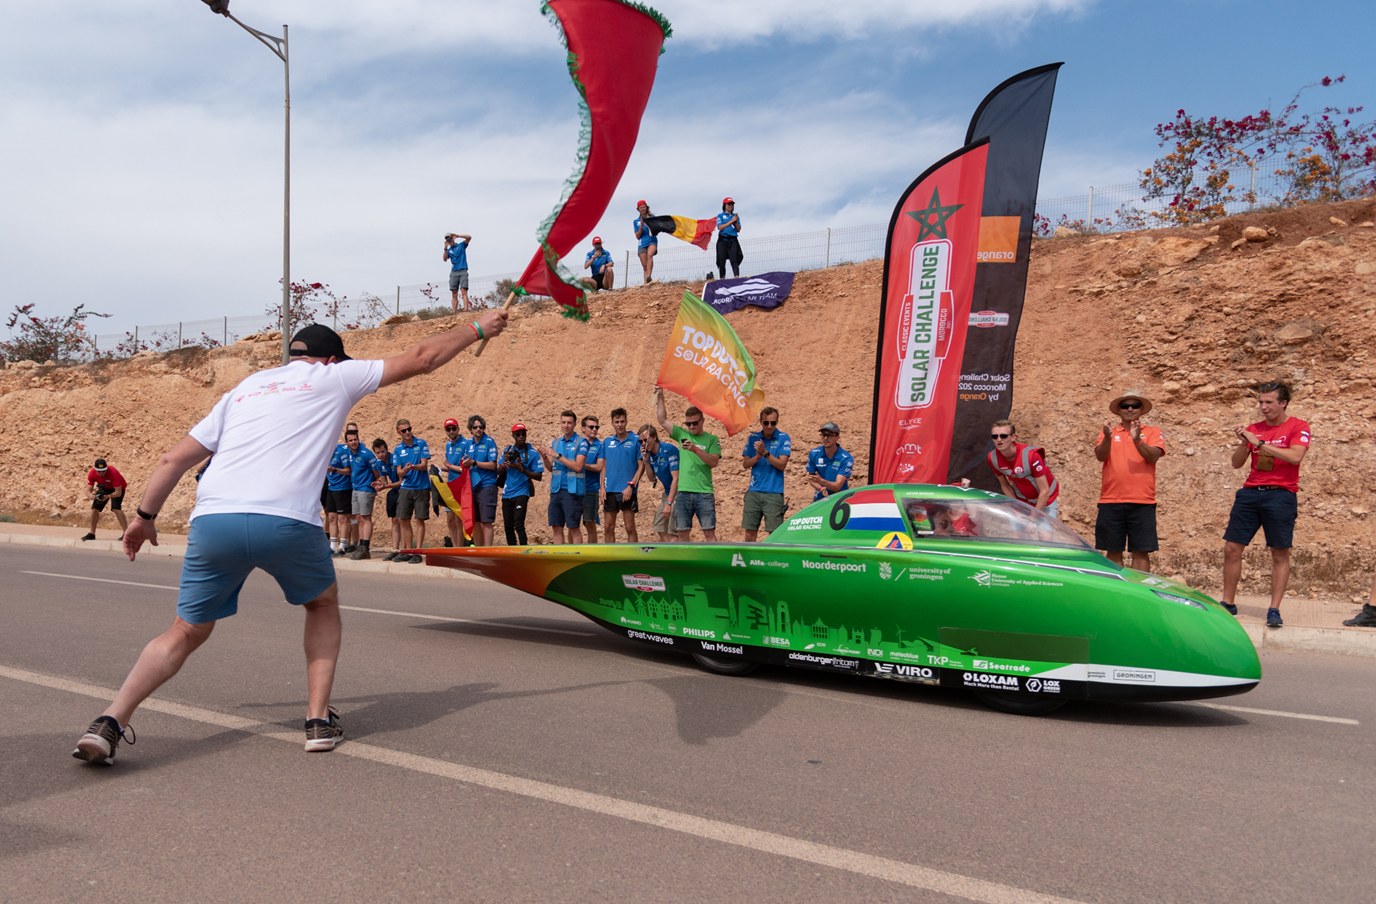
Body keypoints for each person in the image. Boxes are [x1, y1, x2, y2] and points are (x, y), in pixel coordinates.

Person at [71, 313, 508, 765]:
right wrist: (478, 328)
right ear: (333, 358)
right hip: (285, 520)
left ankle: (109, 721)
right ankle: (318, 720)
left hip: (215, 518)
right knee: (321, 604)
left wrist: (143, 518)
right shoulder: (333, 376)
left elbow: (171, 460)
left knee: (185, 629)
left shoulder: (243, 390)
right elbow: (422, 357)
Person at [1221, 380, 1311, 628]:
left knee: (1279, 552)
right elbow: (1236, 464)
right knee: (1232, 548)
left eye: (1269, 402)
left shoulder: (1298, 426)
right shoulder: (1254, 428)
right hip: (1250, 493)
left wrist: (1259, 443)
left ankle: (1274, 609)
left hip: (1281, 495)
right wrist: (1244, 442)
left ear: (1283, 403)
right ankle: (1228, 603)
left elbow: (1295, 456)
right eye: (1261, 402)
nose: (1263, 407)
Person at [1094, 390, 1166, 571]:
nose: (1130, 409)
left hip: (1142, 500)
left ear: (1141, 410)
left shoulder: (1152, 432)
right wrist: (1108, 439)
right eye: (1125, 405)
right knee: (1113, 550)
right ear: (1119, 410)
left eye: (1135, 405)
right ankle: (1114, 594)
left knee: (1141, 552)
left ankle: (1138, 593)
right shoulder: (1109, 432)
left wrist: (1137, 441)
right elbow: (1100, 456)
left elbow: (1153, 457)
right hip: (1111, 500)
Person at [655, 387, 720, 542]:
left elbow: (714, 461)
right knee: (682, 533)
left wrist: (696, 450)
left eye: (694, 423)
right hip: (683, 493)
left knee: (709, 532)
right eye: (688, 424)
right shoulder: (682, 434)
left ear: (702, 421)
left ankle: (715, 564)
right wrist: (660, 397)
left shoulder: (712, 439)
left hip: (704, 492)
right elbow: (662, 420)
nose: (691, 427)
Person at [986, 419, 1060, 517]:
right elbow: (1005, 485)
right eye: (995, 436)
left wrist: (1033, 518)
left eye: (1003, 436)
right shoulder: (992, 458)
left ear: (1013, 437)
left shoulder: (1031, 456)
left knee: (1044, 531)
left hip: (1046, 501)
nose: (999, 439)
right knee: (1017, 532)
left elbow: (1045, 491)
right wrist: (1015, 507)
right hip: (1023, 502)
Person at [741, 407, 791, 541]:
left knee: (775, 534)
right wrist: (757, 457)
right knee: (749, 532)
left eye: (773, 423)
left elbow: (782, 465)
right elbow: (745, 464)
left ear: (777, 422)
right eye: (766, 423)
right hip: (754, 491)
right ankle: (748, 560)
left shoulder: (783, 438)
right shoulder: (753, 438)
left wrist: (765, 453)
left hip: (774, 493)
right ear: (761, 422)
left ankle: (775, 561)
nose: (769, 426)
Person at [540, 411, 588, 544]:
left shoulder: (581, 442)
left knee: (573, 527)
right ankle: (559, 557)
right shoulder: (556, 442)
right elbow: (551, 468)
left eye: (569, 423)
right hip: (556, 490)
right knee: (556, 526)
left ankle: (577, 557)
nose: (566, 425)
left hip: (572, 491)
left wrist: (558, 456)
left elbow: (578, 467)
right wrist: (545, 458)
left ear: (575, 424)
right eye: (563, 422)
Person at [392, 418, 433, 563]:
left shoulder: (421, 443)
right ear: (399, 432)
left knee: (420, 519)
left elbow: (424, 465)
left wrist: (413, 467)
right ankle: (408, 550)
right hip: (406, 488)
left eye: (409, 429)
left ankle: (418, 551)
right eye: (404, 431)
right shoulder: (397, 449)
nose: (408, 432)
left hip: (421, 487)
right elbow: (399, 473)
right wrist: (405, 469)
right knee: (403, 519)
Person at [602, 407, 645, 543]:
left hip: (628, 490)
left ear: (626, 421)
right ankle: (610, 558)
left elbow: (641, 466)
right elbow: (603, 466)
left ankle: (633, 559)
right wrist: (602, 487)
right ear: (612, 423)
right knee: (608, 527)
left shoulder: (636, 440)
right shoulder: (607, 442)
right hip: (610, 490)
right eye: (617, 422)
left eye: (622, 421)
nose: (620, 424)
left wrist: (631, 486)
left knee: (630, 527)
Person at [498, 423, 543, 546]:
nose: (521, 436)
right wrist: (505, 462)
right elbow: (498, 472)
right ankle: (512, 551)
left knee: (519, 524)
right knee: (508, 526)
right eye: (518, 434)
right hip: (507, 493)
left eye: (523, 433)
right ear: (513, 435)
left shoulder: (532, 453)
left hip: (522, 492)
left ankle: (524, 551)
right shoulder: (508, 450)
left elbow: (539, 476)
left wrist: (521, 468)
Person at [345, 432, 385, 560]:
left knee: (366, 517)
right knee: (358, 518)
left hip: (366, 489)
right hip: (355, 489)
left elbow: (376, 471)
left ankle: (365, 547)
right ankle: (360, 547)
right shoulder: (350, 453)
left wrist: (378, 483)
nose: (353, 442)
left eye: (355, 439)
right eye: (350, 440)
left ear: (358, 439)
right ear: (347, 443)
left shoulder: (366, 453)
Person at [638, 424, 679, 543]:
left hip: (679, 491)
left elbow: (676, 478)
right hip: (668, 491)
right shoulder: (650, 455)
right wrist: (645, 461)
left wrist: (669, 502)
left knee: (673, 530)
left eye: (646, 440)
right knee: (660, 526)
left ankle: (675, 557)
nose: (643, 444)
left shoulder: (668, 450)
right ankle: (669, 554)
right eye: (641, 441)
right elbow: (651, 478)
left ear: (654, 437)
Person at [465, 414, 500, 547]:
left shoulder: (489, 442)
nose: (478, 429)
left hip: (487, 485)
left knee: (486, 521)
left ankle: (487, 550)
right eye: (475, 427)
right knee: (476, 522)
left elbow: (493, 465)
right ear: (470, 429)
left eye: (481, 427)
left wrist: (474, 462)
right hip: (473, 486)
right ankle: (479, 551)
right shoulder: (468, 443)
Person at [371, 438, 404, 560]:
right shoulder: (379, 463)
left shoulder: (395, 459)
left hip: (403, 488)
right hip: (393, 489)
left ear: (387, 450)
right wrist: (379, 486)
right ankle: (395, 549)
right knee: (394, 520)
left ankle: (404, 549)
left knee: (402, 520)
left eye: (383, 451)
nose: (381, 455)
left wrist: (387, 485)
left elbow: (401, 481)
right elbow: (384, 482)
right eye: (378, 453)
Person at [83, 458, 129, 541]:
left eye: (103, 471)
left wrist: (107, 496)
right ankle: (92, 533)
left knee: (116, 508)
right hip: (104, 487)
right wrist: (93, 496)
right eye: (99, 471)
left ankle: (127, 534)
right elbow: (88, 491)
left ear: (106, 468)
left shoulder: (113, 472)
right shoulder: (92, 473)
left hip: (117, 488)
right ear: (95, 469)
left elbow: (118, 493)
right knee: (95, 509)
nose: (101, 473)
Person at [439, 417, 468, 547]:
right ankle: (455, 547)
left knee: (458, 519)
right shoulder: (448, 445)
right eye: (448, 429)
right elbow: (448, 466)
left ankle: (460, 548)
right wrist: (439, 468)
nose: (451, 431)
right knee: (450, 519)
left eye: (453, 428)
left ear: (458, 429)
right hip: (450, 484)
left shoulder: (465, 444)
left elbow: (464, 469)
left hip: (461, 485)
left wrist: (448, 465)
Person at [806, 422, 854, 500]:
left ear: (837, 437)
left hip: (839, 499)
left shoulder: (846, 458)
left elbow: (837, 486)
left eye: (829, 435)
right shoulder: (814, 453)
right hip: (820, 498)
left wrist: (821, 481)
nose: (825, 438)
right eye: (823, 435)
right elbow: (811, 479)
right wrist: (820, 489)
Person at [325, 433, 354, 555]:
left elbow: (348, 470)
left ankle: (342, 545)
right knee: (331, 517)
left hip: (342, 488)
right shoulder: (324, 453)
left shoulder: (341, 451)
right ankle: (332, 546)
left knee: (343, 518)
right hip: (331, 488)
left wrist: (335, 470)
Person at [580, 414, 605, 544]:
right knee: (572, 525)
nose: (594, 429)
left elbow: (599, 466)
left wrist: (582, 465)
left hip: (591, 489)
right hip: (575, 488)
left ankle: (591, 555)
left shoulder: (600, 446)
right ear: (583, 428)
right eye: (591, 427)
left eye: (597, 427)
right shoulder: (577, 443)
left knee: (590, 523)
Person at [443, 232, 473, 313]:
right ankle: (454, 312)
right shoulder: (449, 250)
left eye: (450, 238)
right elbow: (445, 259)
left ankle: (466, 309)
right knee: (454, 293)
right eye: (447, 239)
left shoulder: (461, 245)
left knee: (464, 291)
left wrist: (458, 236)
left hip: (463, 270)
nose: (449, 240)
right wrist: (445, 248)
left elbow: (469, 237)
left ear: (453, 238)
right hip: (454, 272)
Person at [715, 196, 743, 280]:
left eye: (732, 204)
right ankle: (722, 278)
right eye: (729, 204)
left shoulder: (735, 216)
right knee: (721, 260)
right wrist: (731, 221)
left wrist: (735, 222)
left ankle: (736, 277)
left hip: (733, 240)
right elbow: (720, 227)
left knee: (734, 259)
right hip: (722, 240)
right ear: (725, 205)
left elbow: (738, 229)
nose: (731, 206)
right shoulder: (720, 216)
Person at [633, 200, 657, 285]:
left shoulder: (652, 217)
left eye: (644, 207)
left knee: (650, 255)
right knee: (644, 266)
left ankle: (649, 277)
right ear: (638, 209)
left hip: (652, 240)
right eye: (641, 207)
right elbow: (637, 236)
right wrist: (641, 226)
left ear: (646, 207)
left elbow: (657, 230)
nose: (642, 208)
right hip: (641, 242)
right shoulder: (636, 221)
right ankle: (646, 284)